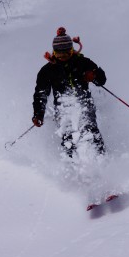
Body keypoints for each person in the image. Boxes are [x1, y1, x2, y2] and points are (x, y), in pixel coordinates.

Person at [32, 27, 106, 158]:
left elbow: (101, 80)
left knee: (91, 132)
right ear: (54, 52)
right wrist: (39, 113)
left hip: (84, 103)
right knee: (68, 138)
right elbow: (41, 93)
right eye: (59, 54)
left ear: (72, 50)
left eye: (67, 53)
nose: (63, 57)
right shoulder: (47, 70)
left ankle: (101, 160)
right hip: (62, 108)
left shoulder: (82, 62)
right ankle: (71, 167)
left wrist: (93, 75)